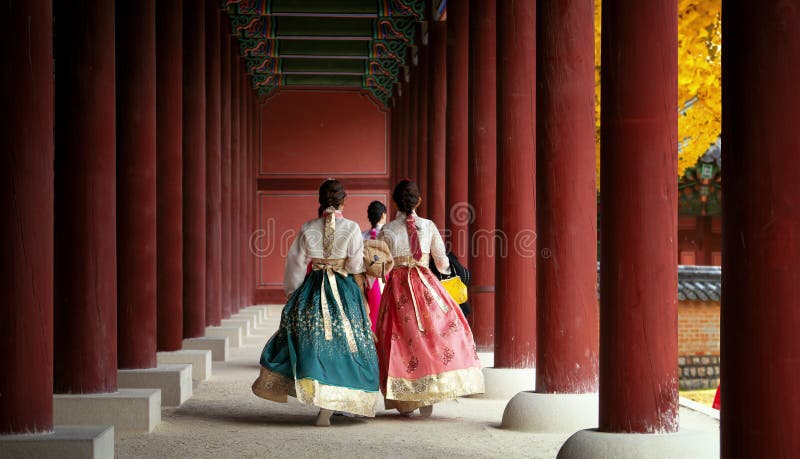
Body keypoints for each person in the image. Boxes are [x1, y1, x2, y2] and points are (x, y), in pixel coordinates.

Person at [251, 179, 379, 426]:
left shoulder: (308, 227)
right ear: (343, 201)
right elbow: (354, 265)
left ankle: (322, 396)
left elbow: (296, 264)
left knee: (314, 342)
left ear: (320, 201)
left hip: (313, 289)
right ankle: (339, 398)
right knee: (347, 343)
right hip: (344, 291)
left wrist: (293, 293)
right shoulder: (352, 228)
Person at [376, 180, 484, 416]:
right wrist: (441, 274)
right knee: (430, 334)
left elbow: (383, 265)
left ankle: (405, 397)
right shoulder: (429, 226)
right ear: (419, 201)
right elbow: (442, 262)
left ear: (394, 202)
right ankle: (429, 392)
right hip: (425, 284)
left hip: (397, 287)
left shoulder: (387, 231)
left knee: (399, 339)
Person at [363, 200, 387, 331]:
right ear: (383, 215)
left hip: (365, 278)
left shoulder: (362, 235)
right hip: (384, 276)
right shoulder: (388, 234)